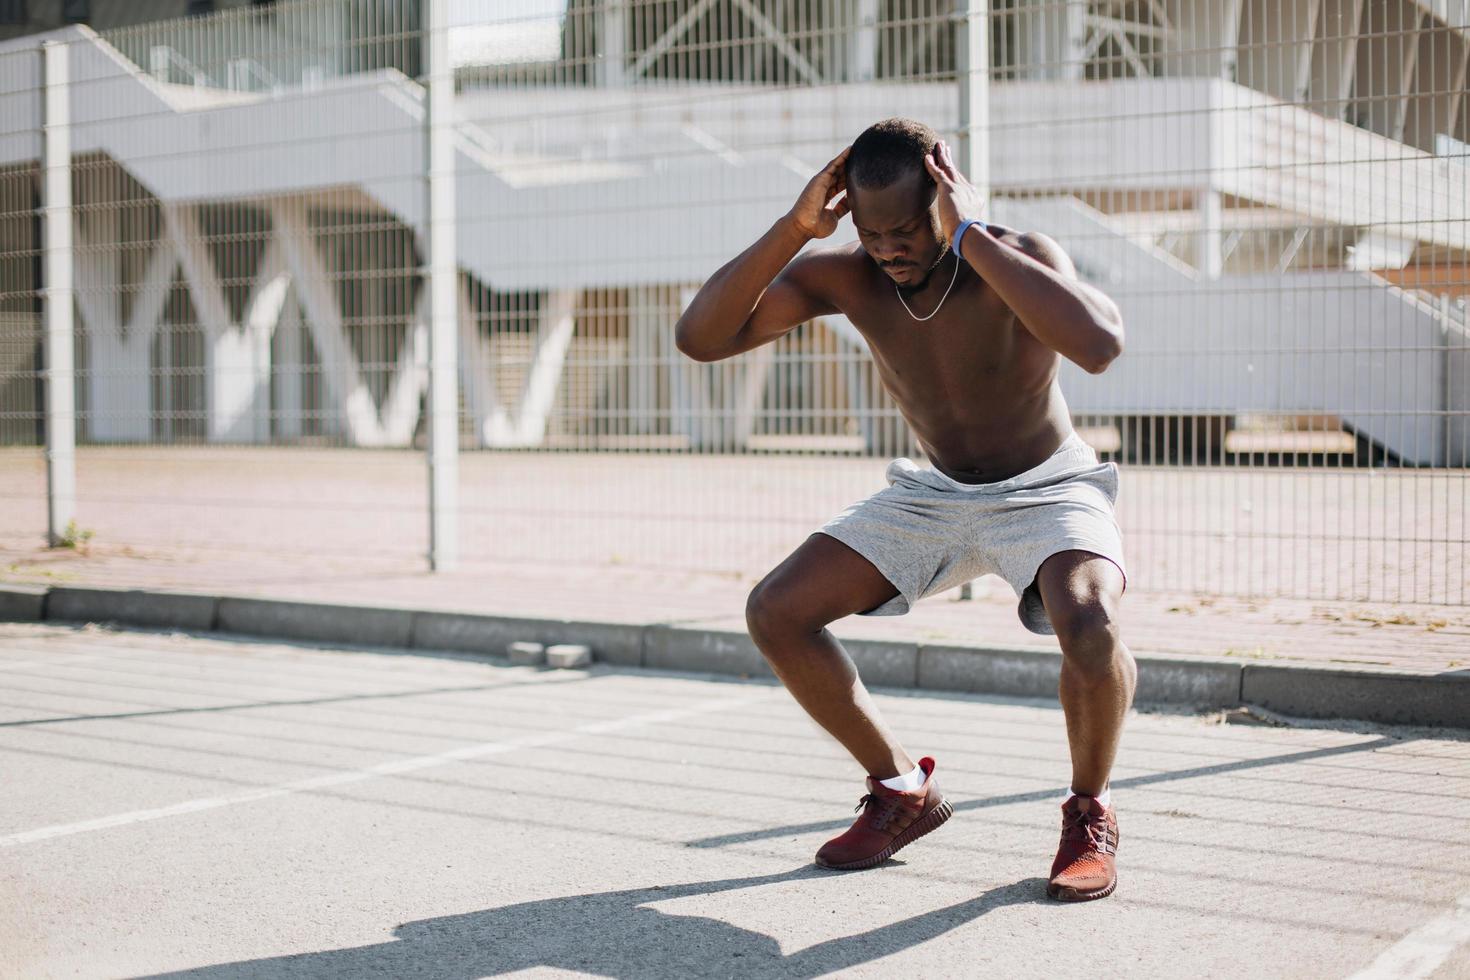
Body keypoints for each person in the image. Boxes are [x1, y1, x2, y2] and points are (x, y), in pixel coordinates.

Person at [674, 118, 1134, 902]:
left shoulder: (1013, 255)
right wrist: (795, 229)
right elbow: (699, 337)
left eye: (909, 229)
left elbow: (1099, 344)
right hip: (936, 492)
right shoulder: (848, 275)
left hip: (1046, 487)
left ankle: (1089, 813)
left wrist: (974, 235)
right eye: (871, 228)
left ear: (944, 201)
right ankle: (900, 794)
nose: (889, 248)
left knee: (1089, 624)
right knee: (777, 610)